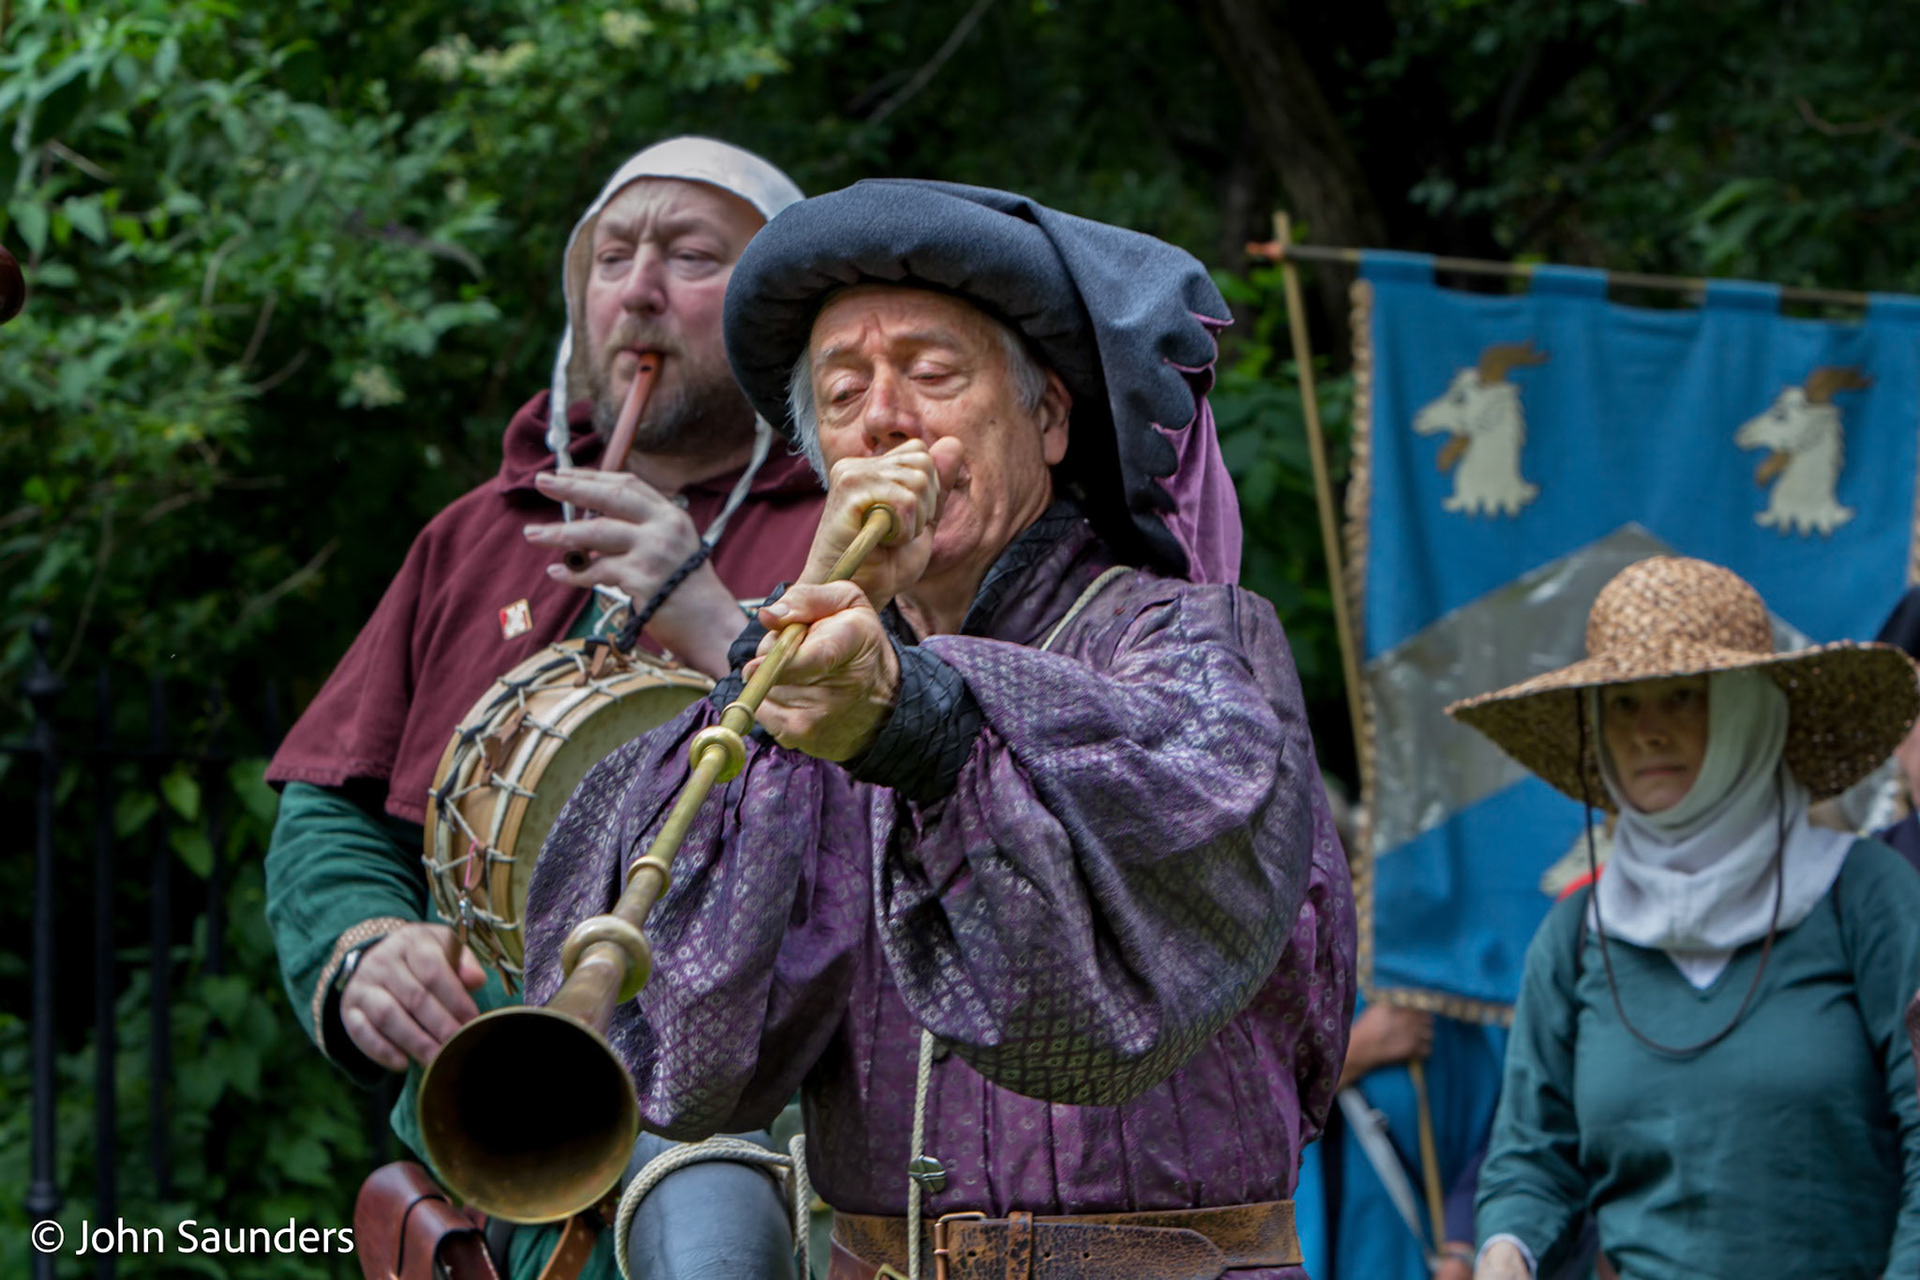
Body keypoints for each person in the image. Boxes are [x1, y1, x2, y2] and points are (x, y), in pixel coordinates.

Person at [523, 179, 1357, 1280]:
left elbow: (1158, 845)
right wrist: (780, 713)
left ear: (1049, 418)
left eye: (933, 373)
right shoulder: (805, 680)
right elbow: (699, 1055)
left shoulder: (1192, 637)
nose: (886, 418)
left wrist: (915, 722)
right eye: (844, 388)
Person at [263, 137, 823, 1279]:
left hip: (772, 1203)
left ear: (779, 309)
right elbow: (333, 810)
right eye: (613, 256)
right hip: (490, 1196)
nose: (641, 289)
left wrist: (710, 611)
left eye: (692, 255)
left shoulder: (851, 525)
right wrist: (365, 947)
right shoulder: (479, 536)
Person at [1446, 556, 1920, 1280]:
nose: (1649, 733)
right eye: (1624, 704)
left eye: (1683, 697)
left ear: (1749, 714)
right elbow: (1532, 1158)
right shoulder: (1580, 934)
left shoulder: (1868, 896)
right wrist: (1506, 1248)